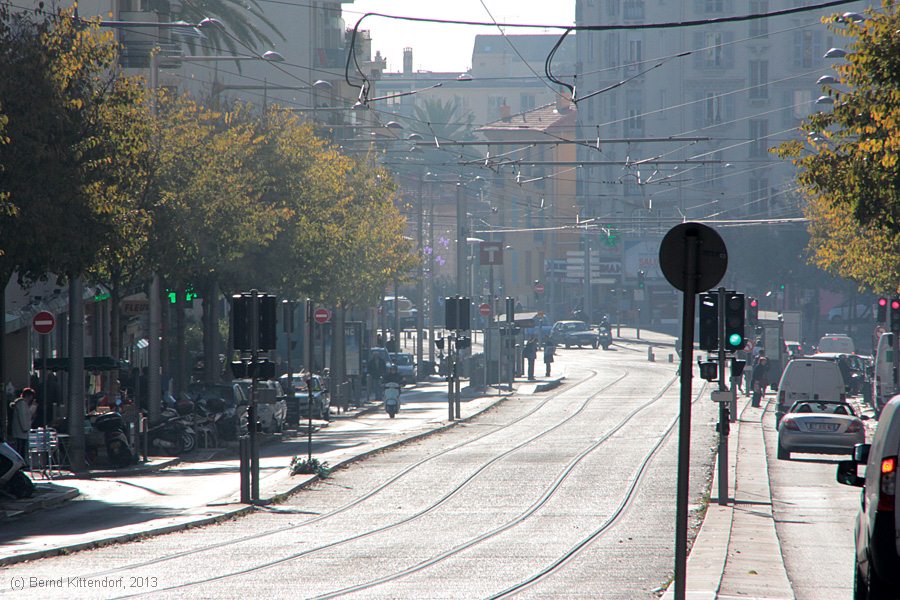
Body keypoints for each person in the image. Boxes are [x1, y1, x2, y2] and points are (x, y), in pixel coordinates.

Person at [10, 388, 36, 457]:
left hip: (20, 432)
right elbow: (23, 417)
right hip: (21, 432)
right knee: (20, 449)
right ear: (29, 396)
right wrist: (26, 428)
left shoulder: (22, 404)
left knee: (20, 449)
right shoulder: (22, 404)